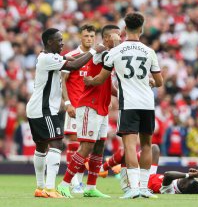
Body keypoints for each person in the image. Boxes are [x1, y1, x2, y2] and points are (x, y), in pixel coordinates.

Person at [84, 12, 163, 199]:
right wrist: (150, 82)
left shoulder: (115, 52)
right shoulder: (149, 51)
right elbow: (159, 82)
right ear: (142, 29)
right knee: (146, 145)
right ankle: (144, 188)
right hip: (147, 103)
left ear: (125, 29)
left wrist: (89, 80)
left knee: (129, 145)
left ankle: (134, 188)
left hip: (129, 103)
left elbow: (101, 79)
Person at [26, 28, 105, 198]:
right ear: (49, 42)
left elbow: (68, 59)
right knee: (56, 144)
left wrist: (70, 57)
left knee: (41, 147)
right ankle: (49, 188)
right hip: (44, 109)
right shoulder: (48, 58)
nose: (62, 43)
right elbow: (75, 65)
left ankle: (40, 187)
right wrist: (93, 50)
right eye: (59, 40)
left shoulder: (47, 57)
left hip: (37, 108)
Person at [57, 25, 121, 198]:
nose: (120, 39)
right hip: (88, 106)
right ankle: (64, 184)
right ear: (107, 38)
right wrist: (68, 102)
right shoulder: (101, 53)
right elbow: (96, 78)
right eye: (117, 36)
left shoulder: (109, 54)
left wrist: (122, 94)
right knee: (86, 145)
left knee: (99, 146)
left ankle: (91, 187)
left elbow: (107, 83)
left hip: (102, 107)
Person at [61, 24, 95, 193]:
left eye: (92, 36)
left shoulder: (96, 57)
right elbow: (63, 81)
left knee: (86, 146)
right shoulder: (71, 56)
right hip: (75, 106)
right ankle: (73, 181)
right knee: (75, 143)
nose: (89, 39)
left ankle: (78, 182)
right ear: (80, 37)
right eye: (86, 36)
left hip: (90, 108)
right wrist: (67, 103)